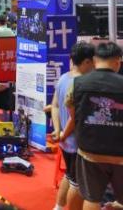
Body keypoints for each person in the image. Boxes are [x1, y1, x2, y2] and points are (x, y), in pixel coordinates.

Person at [66, 42, 123, 210]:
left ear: (95, 60)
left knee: (92, 198)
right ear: (118, 61)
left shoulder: (77, 83)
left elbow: (73, 115)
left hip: (89, 152)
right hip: (120, 153)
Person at [51, 42, 95, 210]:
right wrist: (63, 133)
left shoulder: (63, 78)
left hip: (65, 141)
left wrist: (58, 131)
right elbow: (75, 117)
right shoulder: (81, 83)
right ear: (86, 61)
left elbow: (54, 105)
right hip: (76, 142)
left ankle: (58, 208)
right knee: (78, 183)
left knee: (69, 176)